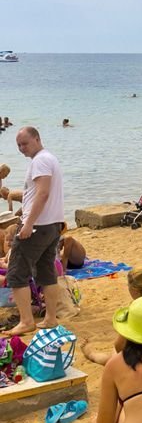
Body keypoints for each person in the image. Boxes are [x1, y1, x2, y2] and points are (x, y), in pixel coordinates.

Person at [4, 127, 64, 337]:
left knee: (16, 272)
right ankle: (50, 318)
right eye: (18, 145)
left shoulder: (41, 160)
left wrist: (28, 223)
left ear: (37, 139)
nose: (21, 148)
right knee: (46, 271)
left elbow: (43, 193)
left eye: (25, 143)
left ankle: (26, 321)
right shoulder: (49, 158)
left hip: (38, 226)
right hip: (52, 224)